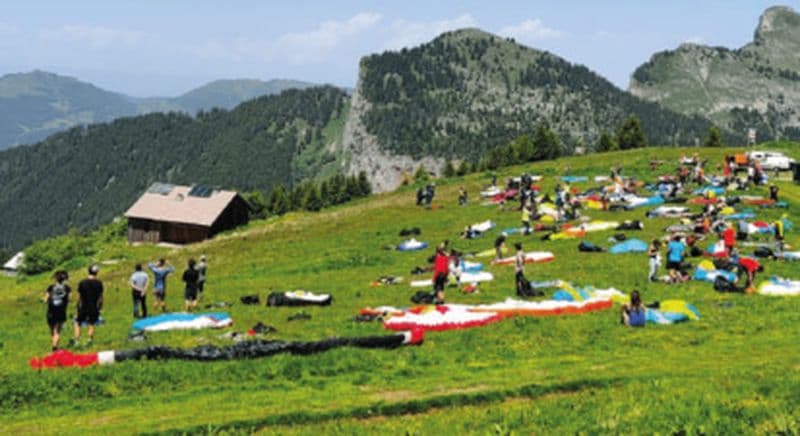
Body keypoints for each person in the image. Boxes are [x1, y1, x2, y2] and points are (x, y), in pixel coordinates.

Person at [72, 265, 103, 345]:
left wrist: (78, 305)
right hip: (94, 306)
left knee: (77, 322)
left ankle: (77, 340)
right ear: (96, 272)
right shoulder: (99, 283)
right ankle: (89, 340)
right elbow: (100, 297)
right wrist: (100, 307)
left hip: (83, 306)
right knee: (91, 323)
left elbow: (79, 296)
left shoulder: (82, 282)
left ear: (88, 271)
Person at [44, 270, 71, 351]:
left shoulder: (51, 287)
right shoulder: (67, 288)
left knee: (52, 331)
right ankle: (54, 347)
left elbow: (45, 300)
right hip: (61, 312)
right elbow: (69, 299)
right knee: (57, 331)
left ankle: (54, 346)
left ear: (55, 278)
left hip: (51, 311)